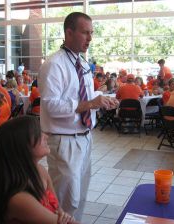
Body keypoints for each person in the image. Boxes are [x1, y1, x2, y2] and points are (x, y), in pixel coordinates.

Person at [38, 12, 119, 220]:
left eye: (91, 33)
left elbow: (83, 94)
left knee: (80, 197)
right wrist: (91, 103)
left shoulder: (82, 62)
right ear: (69, 33)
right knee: (66, 201)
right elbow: (51, 106)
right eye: (85, 33)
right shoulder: (54, 64)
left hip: (84, 137)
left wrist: (102, 99)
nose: (90, 38)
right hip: (64, 141)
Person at [0, 116, 80, 224]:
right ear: (21, 146)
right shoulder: (20, 200)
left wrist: (63, 215)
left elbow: (58, 210)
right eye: (37, 134)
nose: (46, 136)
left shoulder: (40, 171)